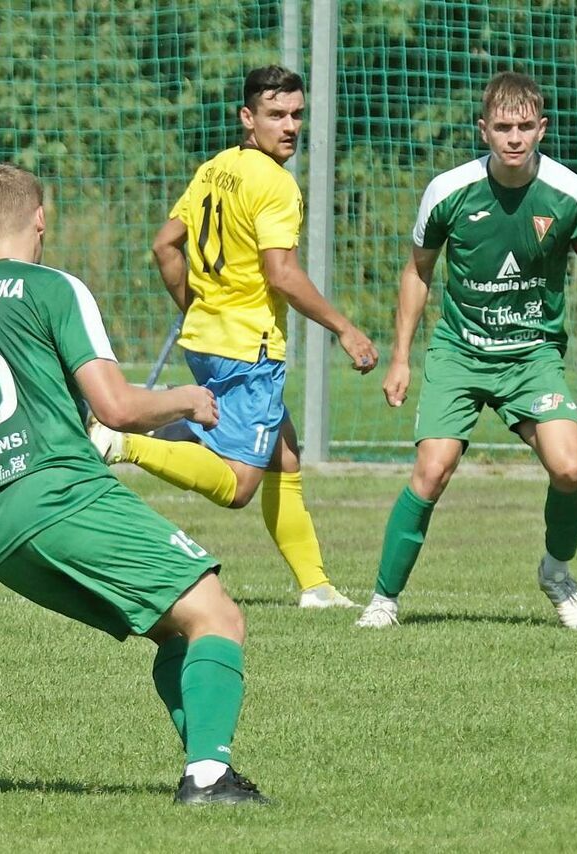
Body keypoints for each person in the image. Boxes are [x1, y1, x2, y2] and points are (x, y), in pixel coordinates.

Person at [0, 163, 268, 804]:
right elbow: (117, 408)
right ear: (41, 219)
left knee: (174, 627)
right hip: (63, 497)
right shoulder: (52, 289)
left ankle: (206, 765)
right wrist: (187, 398)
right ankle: (210, 779)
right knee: (217, 614)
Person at [355, 71, 577, 631]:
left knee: (570, 470)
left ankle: (557, 572)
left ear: (541, 128)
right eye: (502, 127)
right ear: (484, 130)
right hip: (460, 352)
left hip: (531, 356)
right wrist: (400, 357)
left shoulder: (570, 195)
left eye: (524, 126)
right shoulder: (448, 192)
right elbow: (418, 273)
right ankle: (384, 600)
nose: (514, 137)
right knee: (432, 471)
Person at [89, 65, 379, 610]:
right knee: (240, 483)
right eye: (276, 115)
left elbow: (164, 245)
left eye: (296, 115)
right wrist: (346, 328)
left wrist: (196, 307)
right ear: (249, 118)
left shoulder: (217, 167)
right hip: (250, 349)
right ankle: (121, 440)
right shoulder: (276, 184)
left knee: (283, 455)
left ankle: (315, 587)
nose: (289, 126)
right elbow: (281, 273)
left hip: (206, 340)